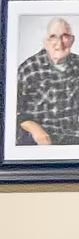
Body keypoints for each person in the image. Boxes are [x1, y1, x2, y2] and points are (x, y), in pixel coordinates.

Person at [15, 16, 79, 146]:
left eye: (65, 36)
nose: (59, 43)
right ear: (45, 42)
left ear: (72, 40)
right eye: (53, 37)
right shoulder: (28, 69)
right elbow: (12, 111)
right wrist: (34, 128)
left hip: (73, 139)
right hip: (39, 139)